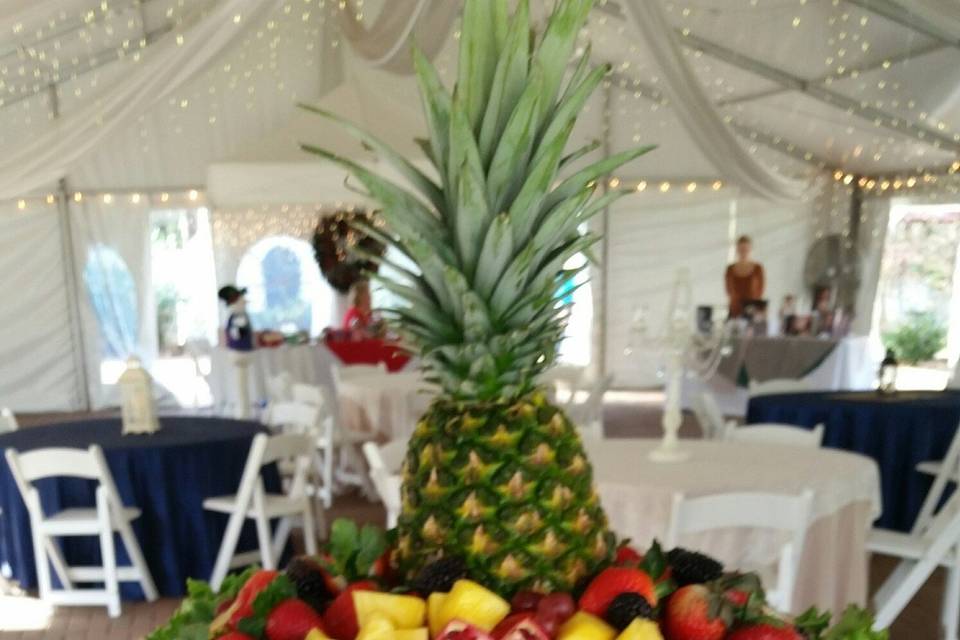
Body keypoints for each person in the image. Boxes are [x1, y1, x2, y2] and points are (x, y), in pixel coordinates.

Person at [725, 235, 765, 318]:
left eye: (746, 249)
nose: (744, 252)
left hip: (752, 312)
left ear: (750, 249)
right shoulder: (730, 269)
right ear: (737, 249)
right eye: (741, 249)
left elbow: (760, 292)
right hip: (734, 311)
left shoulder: (758, 268)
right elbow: (728, 291)